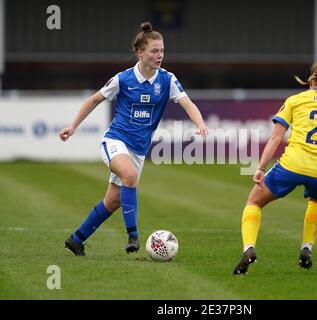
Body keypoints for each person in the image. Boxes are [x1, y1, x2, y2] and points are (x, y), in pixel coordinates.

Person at [60, 22, 208, 256]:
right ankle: (133, 236)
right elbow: (94, 100)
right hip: (115, 141)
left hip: (138, 150)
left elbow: (188, 103)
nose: (159, 56)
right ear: (140, 53)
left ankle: (76, 239)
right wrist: (73, 126)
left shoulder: (167, 80)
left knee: (112, 201)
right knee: (129, 176)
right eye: (154, 51)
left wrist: (199, 123)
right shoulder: (123, 79)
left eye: (162, 51)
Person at [233, 57, 317, 274]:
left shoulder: (295, 100)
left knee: (253, 201)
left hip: (292, 165)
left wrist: (261, 168)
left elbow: (275, 138)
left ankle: (249, 248)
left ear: (311, 82)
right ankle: (306, 247)